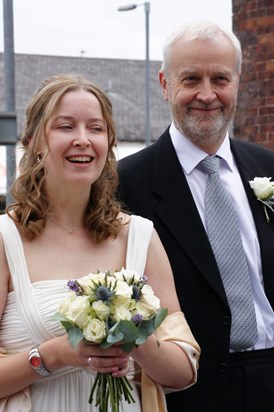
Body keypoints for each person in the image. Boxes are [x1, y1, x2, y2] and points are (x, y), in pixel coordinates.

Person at [0, 73, 200, 412]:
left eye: (96, 128)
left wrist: (136, 341)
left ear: (108, 143)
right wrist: (56, 354)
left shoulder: (140, 236)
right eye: (65, 127)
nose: (83, 139)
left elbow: (184, 371)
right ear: (34, 142)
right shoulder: (6, 239)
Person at [117, 21, 274, 412]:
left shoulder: (267, 167)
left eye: (220, 78)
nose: (207, 94)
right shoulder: (123, 185)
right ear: (165, 83)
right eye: (191, 79)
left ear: (237, 82)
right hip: (188, 391)